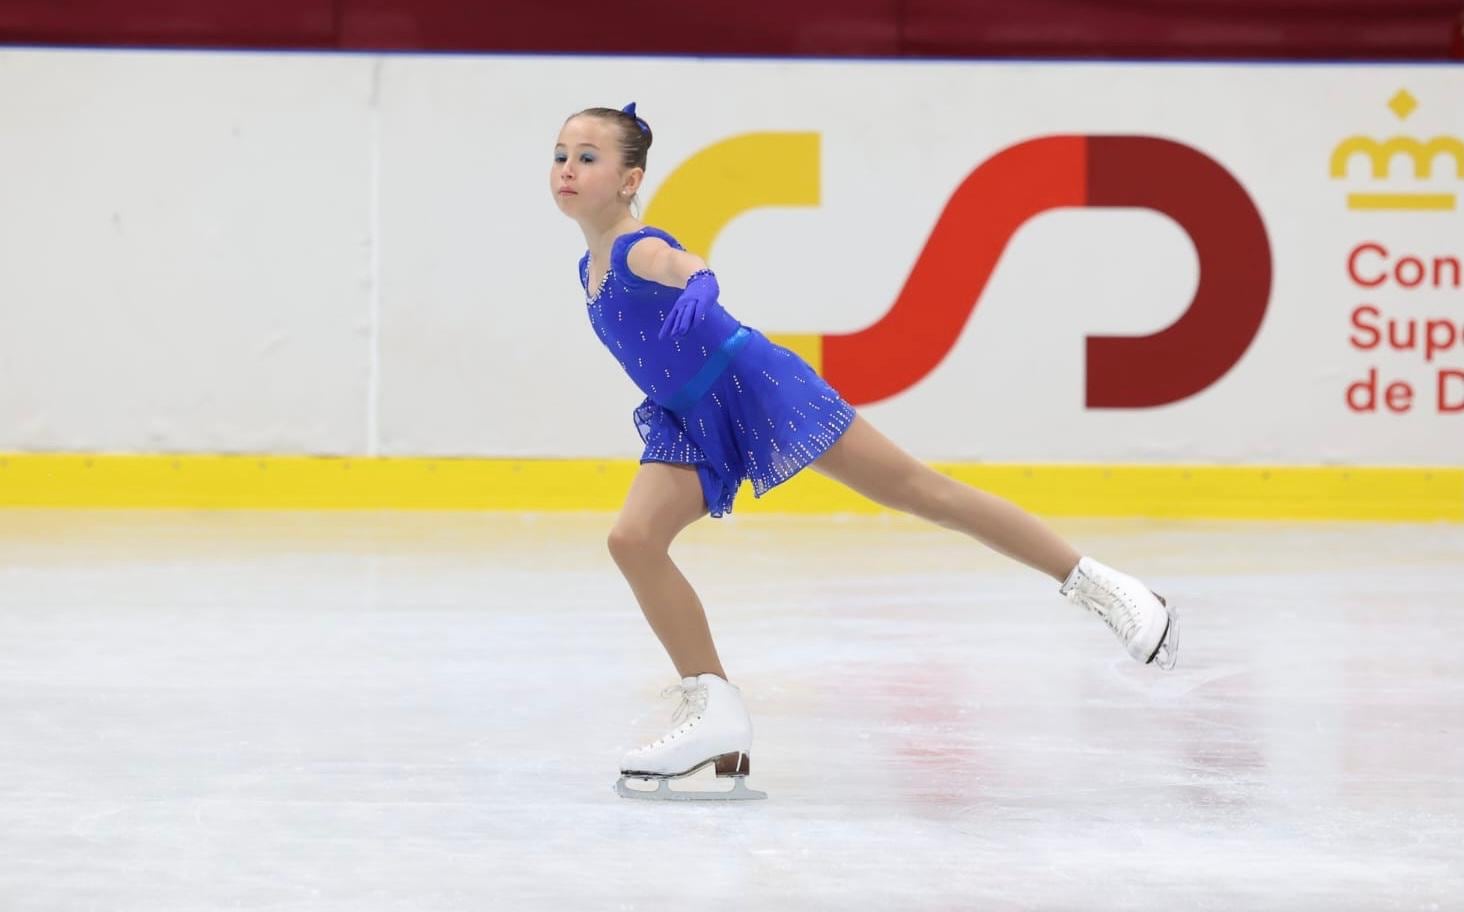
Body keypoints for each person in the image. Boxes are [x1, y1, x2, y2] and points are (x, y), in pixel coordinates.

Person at [551, 103, 1179, 801]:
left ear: (630, 178)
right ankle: (716, 714)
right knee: (634, 541)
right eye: (561, 155)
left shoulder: (638, 249)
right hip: (692, 415)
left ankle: (1103, 585)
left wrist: (700, 280)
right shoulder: (589, 265)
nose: (568, 170)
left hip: (755, 386)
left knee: (917, 490)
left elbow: (679, 260)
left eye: (588, 157)